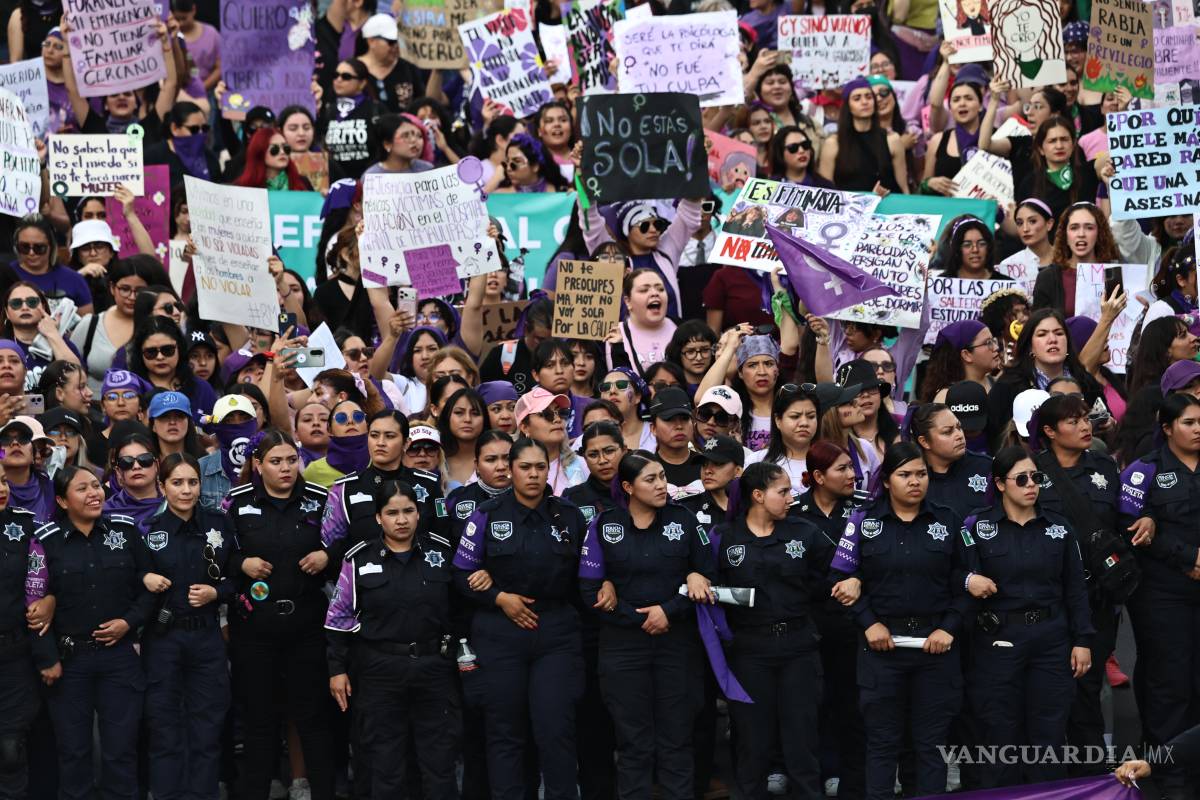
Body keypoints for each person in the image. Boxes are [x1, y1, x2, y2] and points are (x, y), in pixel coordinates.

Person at [830, 442, 971, 800]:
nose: (915, 482)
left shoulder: (949, 520)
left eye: (921, 474)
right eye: (905, 474)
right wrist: (868, 622)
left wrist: (948, 627)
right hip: (881, 648)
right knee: (881, 744)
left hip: (935, 649)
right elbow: (840, 581)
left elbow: (967, 583)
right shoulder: (863, 522)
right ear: (887, 480)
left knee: (930, 745)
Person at [453, 436, 589, 800]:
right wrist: (498, 597)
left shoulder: (570, 516)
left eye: (540, 467)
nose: (532, 475)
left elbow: (587, 578)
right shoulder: (485, 514)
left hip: (556, 631)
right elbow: (460, 575)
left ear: (550, 470)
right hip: (499, 632)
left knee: (555, 729)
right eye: (524, 467)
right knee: (504, 732)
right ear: (510, 470)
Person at [578, 451, 714, 800]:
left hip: (676, 643)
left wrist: (669, 610)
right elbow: (589, 588)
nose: (661, 485)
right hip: (623, 648)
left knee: (676, 741)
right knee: (633, 744)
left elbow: (707, 575)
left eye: (663, 477)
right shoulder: (603, 526)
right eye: (650, 479)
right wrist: (638, 616)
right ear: (628, 486)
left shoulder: (685, 521)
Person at [961, 445, 1095, 786]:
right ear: (1001, 484)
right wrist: (968, 579)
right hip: (997, 639)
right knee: (999, 729)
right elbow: (954, 575)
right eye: (1021, 479)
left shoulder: (1059, 528)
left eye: (1036, 477)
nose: (1031, 485)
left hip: (1051, 638)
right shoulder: (976, 526)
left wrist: (1082, 640)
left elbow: (1076, 588)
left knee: (1048, 730)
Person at [324, 479, 461, 799]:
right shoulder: (358, 559)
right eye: (392, 512)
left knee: (440, 763)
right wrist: (337, 669)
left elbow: (459, 611)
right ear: (378, 518)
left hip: (434, 668)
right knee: (385, 764)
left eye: (408, 511)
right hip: (380, 672)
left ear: (418, 514)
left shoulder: (440, 552)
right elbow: (338, 618)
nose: (401, 519)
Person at [710, 460, 833, 798]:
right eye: (784, 491)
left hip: (799, 647)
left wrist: (848, 584)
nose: (792, 497)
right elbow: (707, 587)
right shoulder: (723, 537)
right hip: (749, 651)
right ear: (758, 495)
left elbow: (834, 576)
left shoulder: (805, 532)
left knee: (802, 741)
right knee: (752, 743)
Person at [225, 429, 336, 800]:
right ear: (258, 464)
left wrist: (328, 556)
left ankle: (322, 792)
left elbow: (345, 547)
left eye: (292, 460)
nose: (286, 468)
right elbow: (218, 556)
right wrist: (243, 562)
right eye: (275, 461)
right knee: (259, 719)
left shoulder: (320, 499)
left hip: (307, 623)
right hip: (255, 626)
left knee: (313, 717)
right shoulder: (237, 502)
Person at [31, 466, 151, 800]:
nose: (94, 493)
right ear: (61, 500)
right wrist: (47, 658)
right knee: (73, 753)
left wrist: (129, 622)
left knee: (121, 751)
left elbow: (149, 587)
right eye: (82, 488)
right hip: (70, 662)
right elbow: (34, 604)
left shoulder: (125, 532)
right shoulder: (45, 540)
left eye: (96, 486)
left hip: (120, 657)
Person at [137, 452, 235, 800]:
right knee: (164, 727)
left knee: (207, 726)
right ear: (162, 486)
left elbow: (237, 577)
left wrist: (216, 591)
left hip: (206, 635)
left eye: (193, 482)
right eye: (177, 482)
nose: (186, 490)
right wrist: (144, 576)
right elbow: (130, 581)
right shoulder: (148, 529)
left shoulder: (218, 523)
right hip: (163, 638)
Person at [1117, 393, 1200, 795]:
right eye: (1188, 422)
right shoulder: (1142, 471)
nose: (1198, 429)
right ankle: (1166, 775)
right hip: (1163, 593)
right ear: (1166, 428)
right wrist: (1186, 557)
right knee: (1169, 683)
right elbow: (1129, 529)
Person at [791, 441, 865, 798]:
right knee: (811, 705)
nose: (852, 475)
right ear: (818, 477)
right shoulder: (795, 513)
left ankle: (850, 780)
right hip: (811, 624)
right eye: (842, 469)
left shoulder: (864, 510)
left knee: (851, 705)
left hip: (855, 624)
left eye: (852, 467)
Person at [322, 410, 447, 565]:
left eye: (389, 436)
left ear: (406, 443)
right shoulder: (345, 488)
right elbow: (329, 542)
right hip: (366, 580)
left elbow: (443, 537)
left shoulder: (430, 484)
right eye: (374, 435)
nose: (380, 442)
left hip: (421, 577)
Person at [911, 403, 994, 520]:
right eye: (947, 432)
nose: (959, 435)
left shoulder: (986, 467)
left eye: (959, 427)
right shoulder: (913, 479)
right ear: (924, 441)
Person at [515, 387, 589, 493]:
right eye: (547, 414)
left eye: (562, 413)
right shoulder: (511, 469)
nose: (557, 419)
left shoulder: (583, 465)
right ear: (525, 427)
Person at [921, 320, 1000, 402]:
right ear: (966, 355)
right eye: (988, 343)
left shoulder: (999, 386)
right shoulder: (946, 398)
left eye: (993, 341)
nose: (996, 347)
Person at [563, 421, 626, 526]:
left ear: (624, 450)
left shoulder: (641, 491)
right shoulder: (571, 499)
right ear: (585, 458)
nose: (602, 460)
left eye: (609, 451)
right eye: (593, 455)